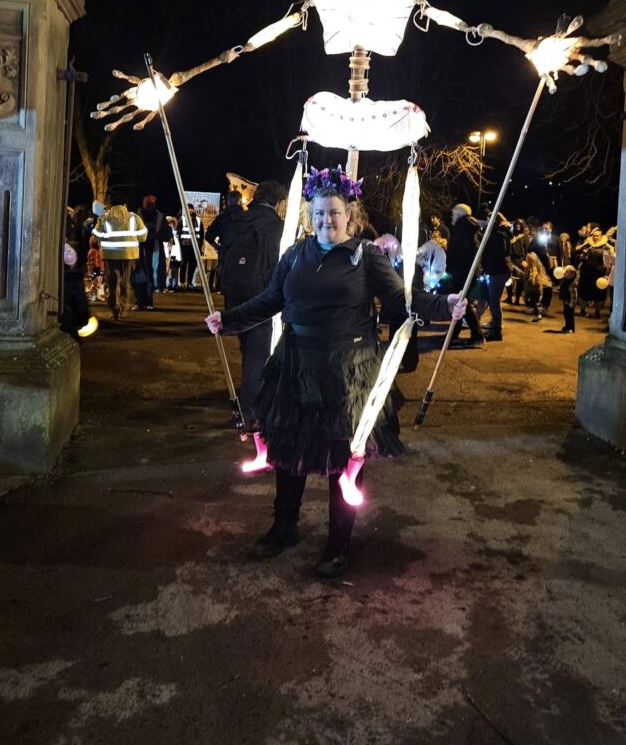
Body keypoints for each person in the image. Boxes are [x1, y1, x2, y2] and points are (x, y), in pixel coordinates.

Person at [205, 166, 466, 578]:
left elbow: (402, 298)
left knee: (343, 458)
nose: (328, 220)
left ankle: (337, 543)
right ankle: (284, 527)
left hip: (348, 369)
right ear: (311, 216)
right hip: (295, 363)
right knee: (288, 452)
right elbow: (270, 300)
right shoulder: (295, 254)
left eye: (336, 213)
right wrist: (229, 319)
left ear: (351, 216)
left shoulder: (368, 256)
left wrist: (443, 306)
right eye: (321, 213)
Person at [220, 180, 288, 426]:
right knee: (257, 354)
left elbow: (224, 250)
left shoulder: (238, 220)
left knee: (247, 347)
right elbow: (278, 263)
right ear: (279, 202)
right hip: (260, 296)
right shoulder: (276, 227)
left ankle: (250, 396)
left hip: (233, 293)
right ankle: (251, 409)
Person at [93, 191, 147, 320]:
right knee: (125, 282)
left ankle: (115, 311)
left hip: (110, 254)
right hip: (130, 254)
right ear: (125, 203)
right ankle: (124, 309)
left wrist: (106, 239)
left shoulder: (105, 217)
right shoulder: (134, 217)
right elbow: (143, 236)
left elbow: (96, 234)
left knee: (112, 283)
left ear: (111, 204)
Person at [446, 203, 485, 347]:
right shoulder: (467, 229)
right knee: (460, 302)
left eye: (454, 213)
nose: (452, 216)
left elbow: (460, 253)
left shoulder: (463, 229)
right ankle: (453, 333)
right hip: (465, 272)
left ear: (460, 214)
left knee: (463, 303)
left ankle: (477, 335)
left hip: (463, 273)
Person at [479, 211, 512, 341]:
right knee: (492, 299)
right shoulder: (499, 232)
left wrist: (487, 259)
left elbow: (500, 252)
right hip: (498, 269)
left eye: (489, 219)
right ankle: (495, 324)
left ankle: (497, 331)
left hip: (498, 270)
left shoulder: (498, 234)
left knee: (494, 301)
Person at [206, 190, 244, 290]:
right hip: (243, 253)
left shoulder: (221, 218)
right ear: (240, 201)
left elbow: (208, 236)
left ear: (228, 201)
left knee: (224, 277)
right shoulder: (247, 217)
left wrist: (217, 247)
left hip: (225, 251)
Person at [138, 195, 172, 294]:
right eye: (148, 204)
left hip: (156, 248)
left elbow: (167, 235)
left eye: (151, 204)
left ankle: (156, 286)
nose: (149, 206)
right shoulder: (138, 216)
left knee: (155, 271)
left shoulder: (160, 217)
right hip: (141, 248)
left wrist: (156, 236)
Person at [177, 204, 204, 290]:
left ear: (192, 210)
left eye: (190, 209)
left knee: (192, 265)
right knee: (183, 264)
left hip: (195, 246)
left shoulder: (198, 220)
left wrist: (200, 246)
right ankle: (181, 283)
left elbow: (202, 234)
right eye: (187, 209)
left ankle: (189, 283)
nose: (189, 211)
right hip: (185, 245)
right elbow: (178, 231)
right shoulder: (182, 219)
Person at [524, 251, 553, 321]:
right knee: (533, 300)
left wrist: (533, 279)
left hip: (533, 285)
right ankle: (537, 314)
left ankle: (538, 314)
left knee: (531, 300)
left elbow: (534, 272)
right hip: (537, 286)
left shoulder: (533, 265)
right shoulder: (538, 266)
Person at [558, 264, 579, 333]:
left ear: (572, 274)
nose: (565, 273)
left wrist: (572, 304)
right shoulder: (565, 281)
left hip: (570, 302)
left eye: (567, 272)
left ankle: (571, 327)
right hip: (566, 301)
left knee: (570, 315)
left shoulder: (572, 284)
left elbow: (574, 295)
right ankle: (567, 326)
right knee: (566, 314)